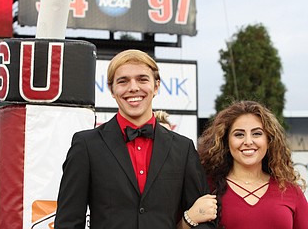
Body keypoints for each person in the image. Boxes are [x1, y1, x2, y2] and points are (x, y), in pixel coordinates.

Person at [54, 49, 216, 229]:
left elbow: (204, 218)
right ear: (112, 89)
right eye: (123, 81)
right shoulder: (86, 145)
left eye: (142, 79)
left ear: (156, 86)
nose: (133, 87)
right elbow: (68, 221)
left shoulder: (183, 148)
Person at [185, 100, 308, 229]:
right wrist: (188, 219)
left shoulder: (290, 190)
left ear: (269, 140)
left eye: (257, 133)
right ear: (226, 141)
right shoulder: (206, 188)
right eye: (239, 134)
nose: (248, 141)